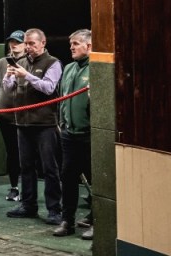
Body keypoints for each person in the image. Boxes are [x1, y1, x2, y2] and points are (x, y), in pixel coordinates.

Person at [3, 28, 64, 224]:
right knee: (26, 167)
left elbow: (49, 88)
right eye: (27, 44)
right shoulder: (21, 62)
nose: (28, 47)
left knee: (49, 168)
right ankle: (28, 205)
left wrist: (27, 76)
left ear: (43, 43)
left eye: (32, 44)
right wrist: (9, 75)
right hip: (23, 123)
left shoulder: (53, 63)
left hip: (45, 124)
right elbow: (8, 89)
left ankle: (54, 210)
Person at [53, 29, 93, 239]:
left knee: (95, 180)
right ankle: (67, 220)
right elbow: (62, 98)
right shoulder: (68, 68)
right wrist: (62, 123)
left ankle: (97, 221)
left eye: (76, 44)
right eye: (71, 44)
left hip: (89, 135)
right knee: (68, 178)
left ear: (89, 46)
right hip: (69, 135)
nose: (71, 47)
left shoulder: (97, 68)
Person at [0, 30, 26, 203]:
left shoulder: (30, 62)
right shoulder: (1, 63)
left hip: (27, 117)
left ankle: (28, 188)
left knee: (27, 153)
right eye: (12, 42)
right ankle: (14, 187)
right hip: (6, 117)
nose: (14, 45)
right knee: (12, 152)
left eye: (18, 42)